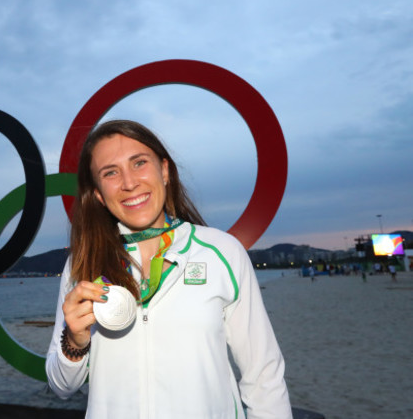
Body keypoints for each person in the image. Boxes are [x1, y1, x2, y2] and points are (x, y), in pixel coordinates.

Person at [45, 120, 292, 418]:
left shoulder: (221, 252)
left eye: (139, 163)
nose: (129, 182)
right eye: (110, 172)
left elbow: (263, 375)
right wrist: (74, 341)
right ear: (98, 194)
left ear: (164, 171)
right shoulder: (83, 263)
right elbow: (61, 386)